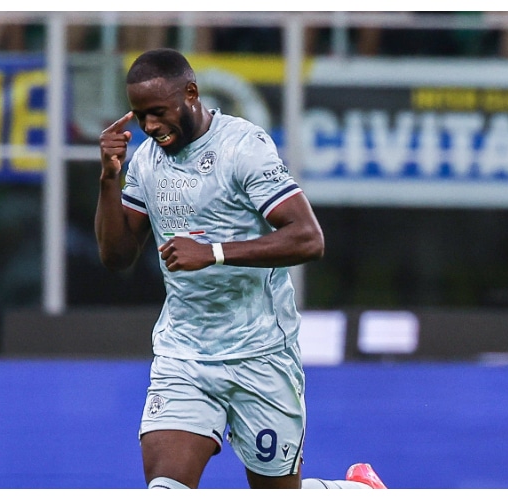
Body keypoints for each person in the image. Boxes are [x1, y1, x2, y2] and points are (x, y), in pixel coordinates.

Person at [95, 48, 387, 490]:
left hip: (261, 353)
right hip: (185, 356)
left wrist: (212, 252)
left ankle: (355, 491)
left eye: (157, 112)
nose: (150, 126)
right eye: (139, 116)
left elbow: (309, 238)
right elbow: (116, 257)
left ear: (190, 93)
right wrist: (108, 178)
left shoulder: (243, 147)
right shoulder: (146, 161)